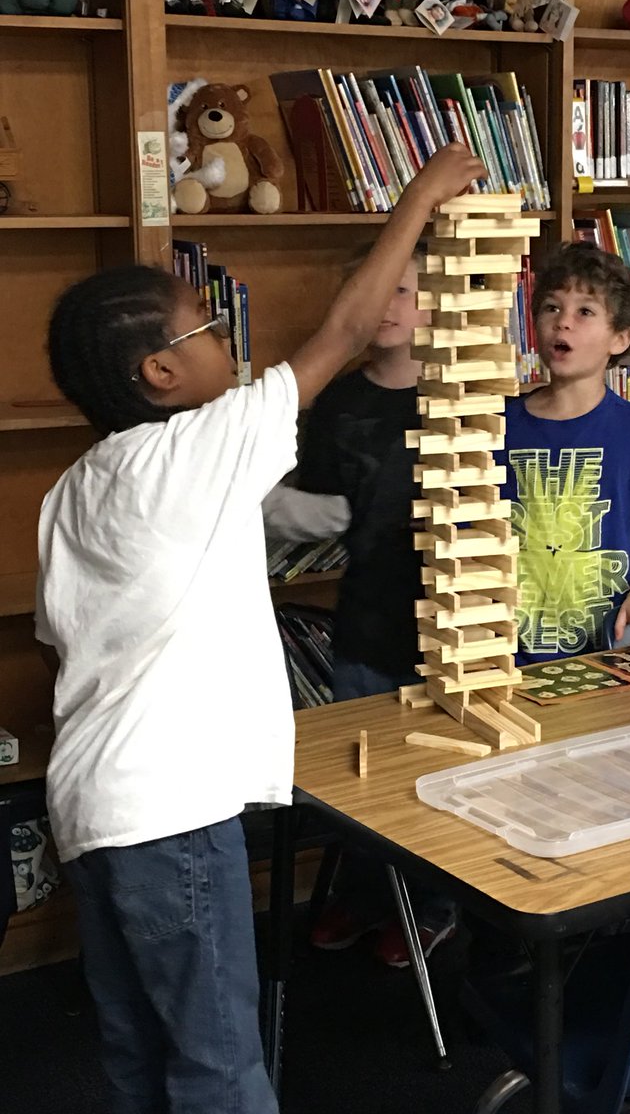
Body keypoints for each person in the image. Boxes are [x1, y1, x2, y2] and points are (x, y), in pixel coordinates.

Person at [33, 142, 484, 1114]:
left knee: (136, 1050)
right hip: (170, 807)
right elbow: (350, 327)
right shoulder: (203, 444)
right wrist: (422, 193)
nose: (227, 337)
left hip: (90, 802)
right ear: (161, 370)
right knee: (220, 1061)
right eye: (208, 324)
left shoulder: (76, 485)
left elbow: (65, 633)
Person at [285, 245, 458, 967]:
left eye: (404, 290)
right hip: (367, 620)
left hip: (448, 629)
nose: (388, 306)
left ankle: (431, 904)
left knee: (437, 777)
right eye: (375, 291)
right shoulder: (342, 402)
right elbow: (316, 504)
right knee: (363, 775)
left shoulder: (461, 396)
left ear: (433, 302)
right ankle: (364, 892)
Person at [496, 242, 630, 659]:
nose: (562, 323)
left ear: (620, 338)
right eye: (551, 308)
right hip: (503, 656)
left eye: (584, 312)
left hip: (605, 655)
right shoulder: (493, 426)